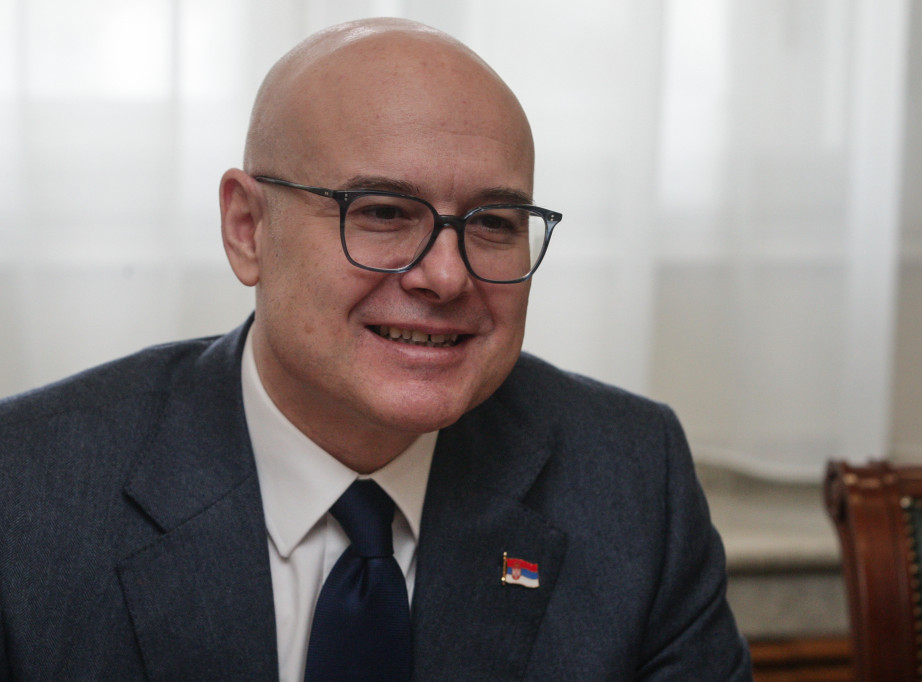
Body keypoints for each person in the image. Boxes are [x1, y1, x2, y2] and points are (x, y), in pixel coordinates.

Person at [0, 17, 752, 681]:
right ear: (247, 229)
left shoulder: (630, 479)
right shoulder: (27, 488)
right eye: (384, 212)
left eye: (494, 223)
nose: (447, 276)